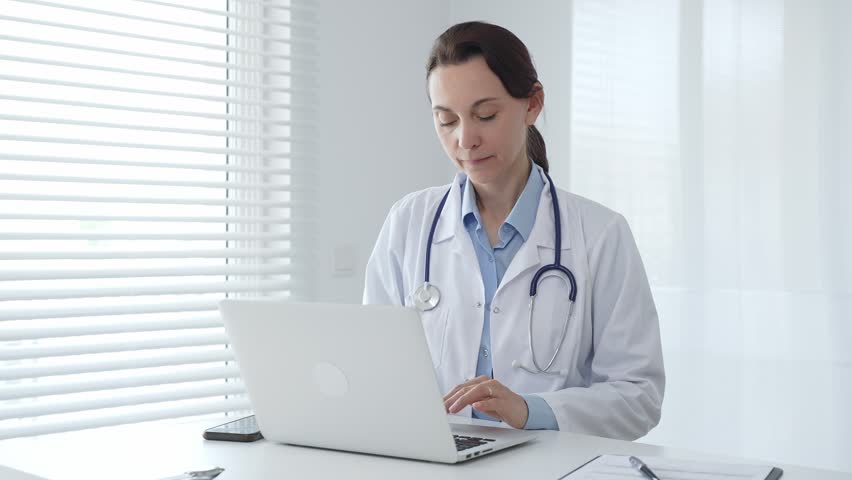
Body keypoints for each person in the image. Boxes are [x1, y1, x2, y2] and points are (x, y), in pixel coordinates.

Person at [363, 21, 664, 440]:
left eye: (486, 115)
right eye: (447, 121)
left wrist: (530, 410)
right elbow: (373, 369)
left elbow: (639, 397)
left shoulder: (601, 234)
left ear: (532, 104)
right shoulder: (408, 223)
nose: (466, 139)